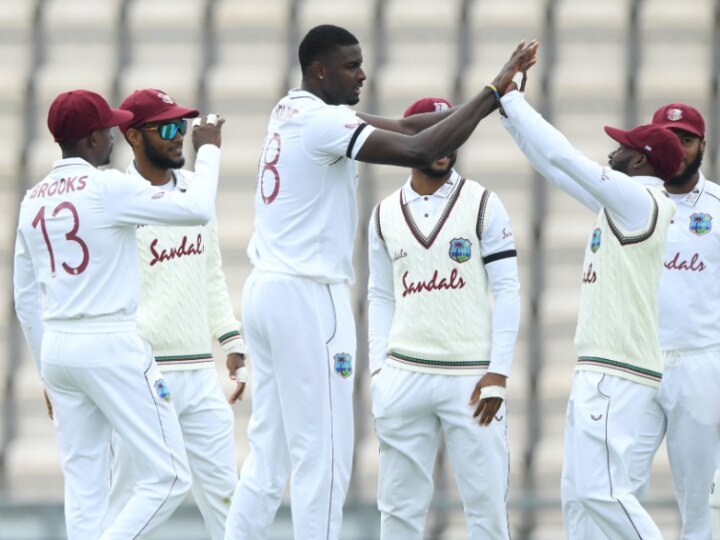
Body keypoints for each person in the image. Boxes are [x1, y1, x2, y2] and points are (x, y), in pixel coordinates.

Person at [225, 24, 538, 540]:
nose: (363, 74)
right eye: (351, 65)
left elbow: (405, 125)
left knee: (268, 456)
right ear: (319, 70)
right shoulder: (323, 124)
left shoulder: (288, 110)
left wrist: (493, 97)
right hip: (309, 297)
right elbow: (418, 149)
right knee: (323, 460)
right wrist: (490, 93)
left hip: (266, 292)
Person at [13, 89, 224, 539]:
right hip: (110, 341)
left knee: (86, 492)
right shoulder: (108, 186)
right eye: (108, 129)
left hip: (59, 349)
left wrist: (46, 375)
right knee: (169, 476)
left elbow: (24, 297)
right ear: (91, 140)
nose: (114, 136)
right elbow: (197, 209)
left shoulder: (32, 199)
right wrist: (207, 154)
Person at [498, 81, 683, 539]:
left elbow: (565, 157)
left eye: (621, 148)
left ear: (639, 160)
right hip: (603, 366)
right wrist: (506, 114)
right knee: (578, 496)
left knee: (602, 493)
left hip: (617, 368)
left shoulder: (639, 200)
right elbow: (555, 170)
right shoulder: (624, 204)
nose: (612, 152)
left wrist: (517, 101)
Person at [96, 88, 246, 540]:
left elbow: (210, 271)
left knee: (226, 498)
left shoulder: (194, 195)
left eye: (180, 126)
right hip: (141, 372)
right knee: (131, 499)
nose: (178, 136)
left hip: (199, 371)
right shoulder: (116, 197)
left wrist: (230, 341)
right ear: (134, 137)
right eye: (165, 128)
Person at [367, 96, 521, 539]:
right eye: (432, 132)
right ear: (408, 140)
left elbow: (508, 289)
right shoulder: (383, 212)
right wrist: (380, 371)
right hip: (404, 375)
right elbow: (380, 295)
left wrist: (498, 372)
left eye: (452, 132)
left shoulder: (484, 203)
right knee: (398, 511)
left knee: (487, 510)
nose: (443, 144)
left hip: (471, 380)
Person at [626, 102, 720, 540]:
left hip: (700, 365)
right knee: (616, 489)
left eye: (686, 139)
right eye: (668, 138)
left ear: (702, 144)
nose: (677, 148)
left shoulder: (718, 207)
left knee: (700, 502)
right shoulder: (631, 203)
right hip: (639, 363)